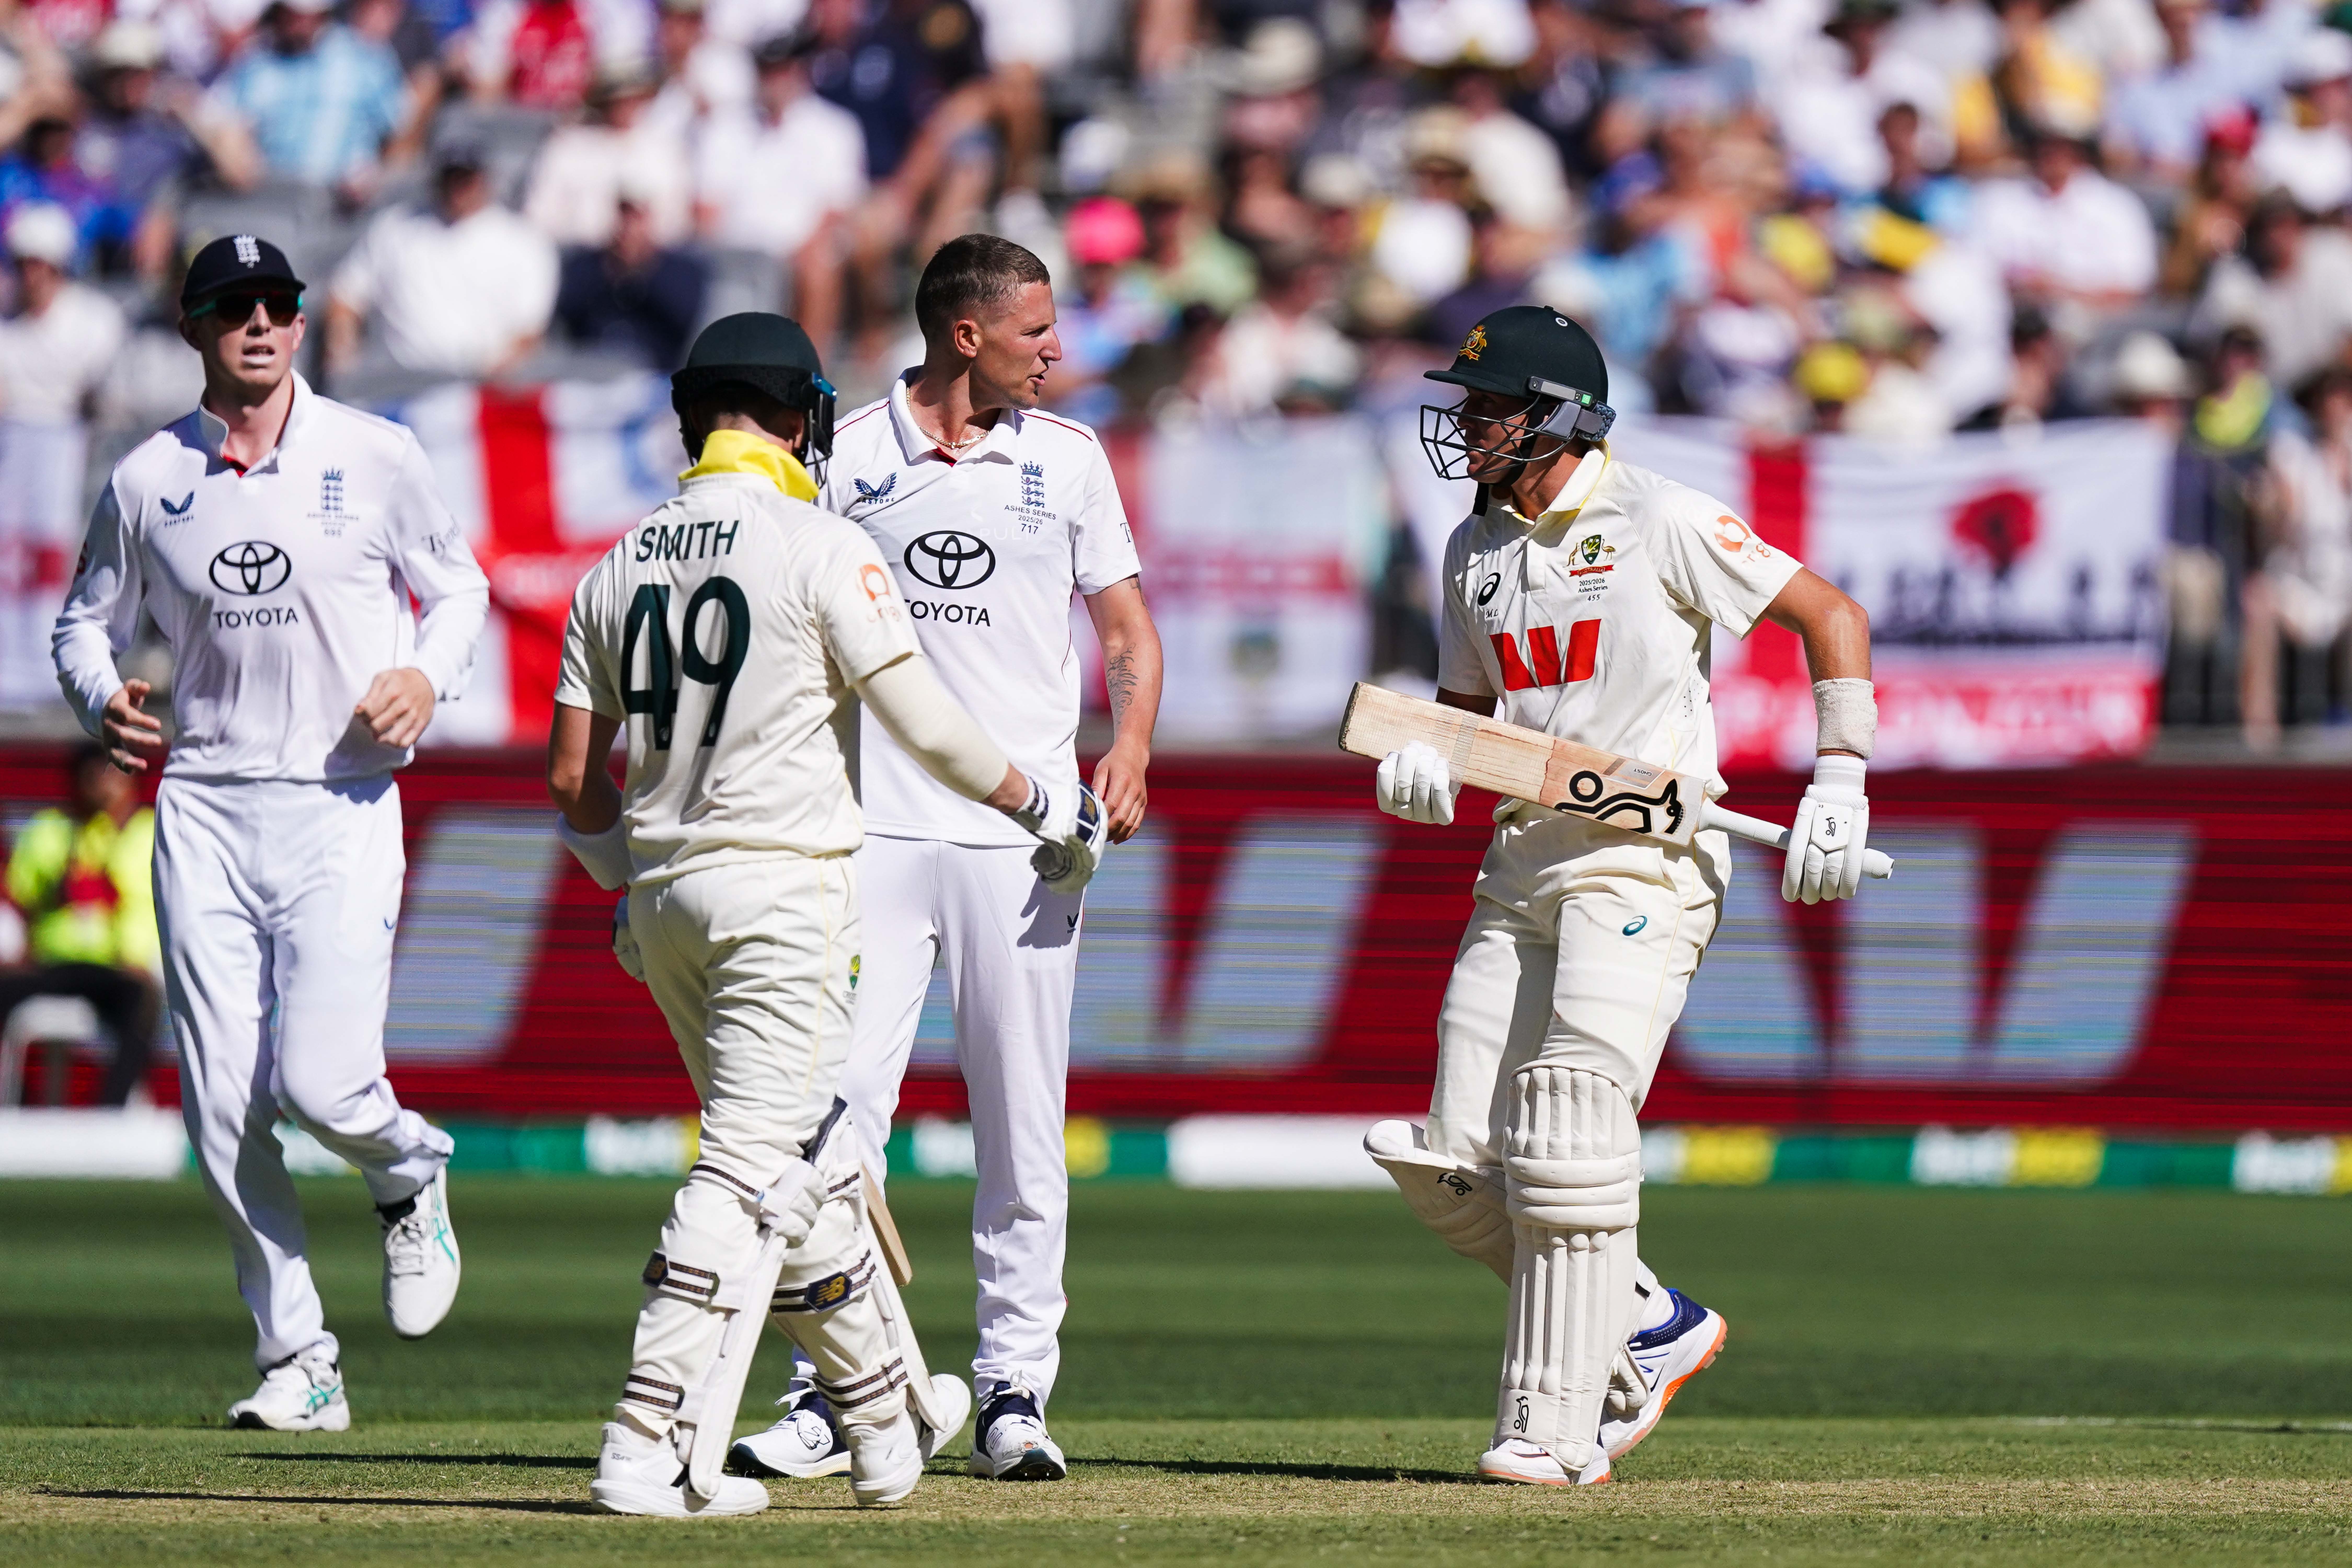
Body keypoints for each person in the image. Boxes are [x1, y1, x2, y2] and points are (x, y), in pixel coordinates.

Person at [545, 312, 1108, 1517]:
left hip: (661, 897)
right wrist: (1043, 805)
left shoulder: (617, 559)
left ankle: (883, 1417)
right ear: (798, 415)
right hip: (783, 895)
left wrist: (615, 881)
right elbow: (931, 725)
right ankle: (645, 1441)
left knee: (808, 1169)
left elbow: (566, 778)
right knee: (758, 1165)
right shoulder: (821, 544)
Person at [1367, 305, 1876, 1485]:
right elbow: (1467, 721)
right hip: (1520, 861)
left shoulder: (1656, 514)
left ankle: (1549, 1430)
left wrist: (1838, 779)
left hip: (1644, 860)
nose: (1467, 427)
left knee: (1568, 1122)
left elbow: (1828, 615)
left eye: (1489, 410)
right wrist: (1425, 762)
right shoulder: (1470, 547)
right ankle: (1645, 1320)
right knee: (1451, 1162)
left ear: (1555, 419)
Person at [732, 235, 1162, 1485]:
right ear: (964, 335)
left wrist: (1126, 743)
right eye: (1035, 330)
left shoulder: (1067, 459)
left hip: (1022, 840)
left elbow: (1125, 629)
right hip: (864, 830)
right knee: (833, 1126)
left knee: (1022, 1127)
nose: (1056, 351)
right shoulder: (845, 456)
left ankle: (1011, 1389)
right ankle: (833, 1390)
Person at [49, 233, 488, 1429]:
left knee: (326, 1083)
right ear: (193, 328)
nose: (258, 322)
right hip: (204, 802)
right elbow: (81, 626)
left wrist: (425, 680)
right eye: (232, 306)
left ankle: (409, 1165)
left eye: (277, 305)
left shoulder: (377, 454)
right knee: (222, 1103)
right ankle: (298, 1355)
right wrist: (103, 699)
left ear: (302, 324)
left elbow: (461, 591)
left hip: (342, 799)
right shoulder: (149, 479)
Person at [0, 743, 162, 1105]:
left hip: (116, 968)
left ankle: (111, 1111)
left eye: (114, 776)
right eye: (94, 777)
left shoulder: (149, 833)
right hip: (52, 962)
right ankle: (13, 1109)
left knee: (141, 1003)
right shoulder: (50, 830)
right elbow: (19, 901)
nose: (104, 788)